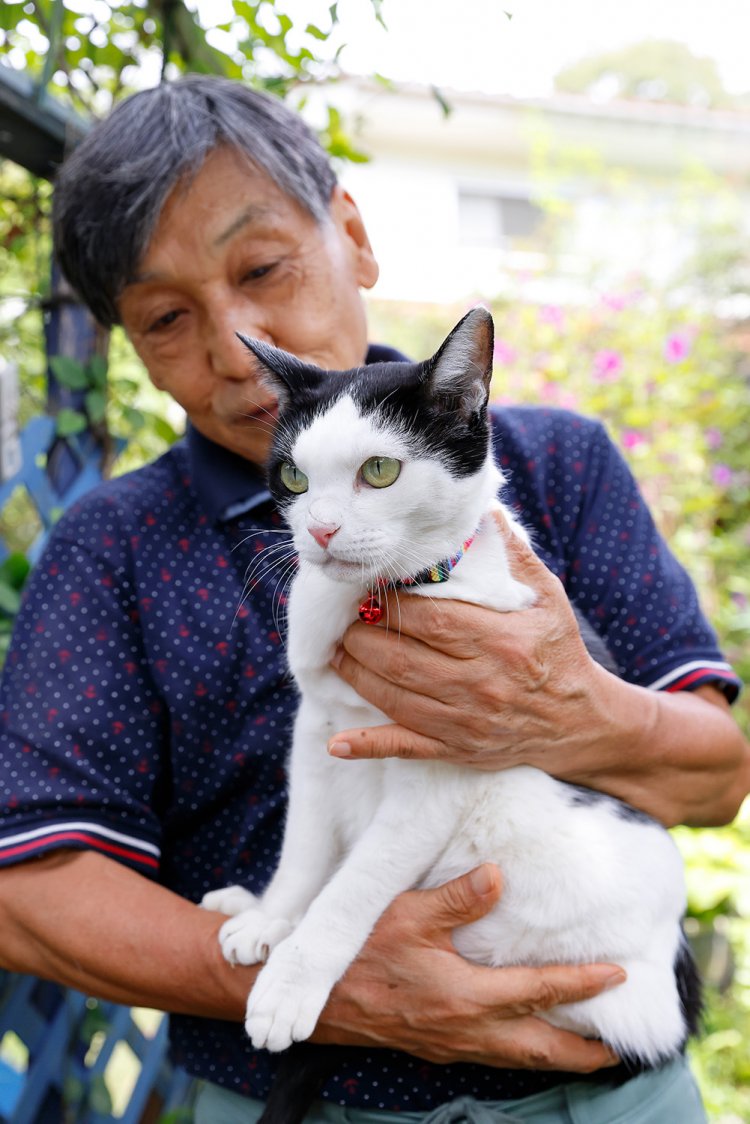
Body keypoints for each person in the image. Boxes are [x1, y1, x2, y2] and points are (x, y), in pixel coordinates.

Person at [0, 74, 747, 1123]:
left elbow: (716, 778)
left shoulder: (556, 463)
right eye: (167, 318)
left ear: (352, 233)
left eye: (264, 265)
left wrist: (579, 708)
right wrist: (329, 977)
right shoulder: (111, 547)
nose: (235, 343)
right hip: (302, 1093)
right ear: (134, 347)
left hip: (610, 1090)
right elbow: (29, 891)